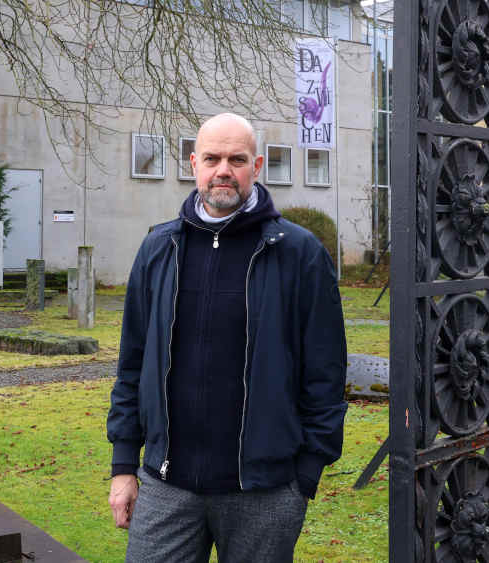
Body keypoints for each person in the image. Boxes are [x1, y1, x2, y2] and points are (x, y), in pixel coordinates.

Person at [106, 112, 348, 562]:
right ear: (193, 163)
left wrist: (305, 475)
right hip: (166, 484)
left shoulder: (299, 254)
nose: (223, 170)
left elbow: (326, 371)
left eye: (236, 160)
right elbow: (132, 364)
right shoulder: (159, 248)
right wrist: (124, 465)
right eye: (212, 158)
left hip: (264, 491)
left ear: (256, 167)